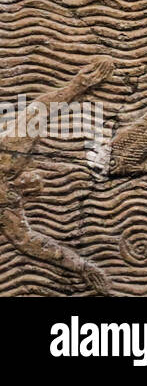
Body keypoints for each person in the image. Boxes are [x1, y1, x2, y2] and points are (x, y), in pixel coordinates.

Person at [1, 58, 114, 294]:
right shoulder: (8, 159)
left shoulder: (7, 199)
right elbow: (36, 112)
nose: (33, 183)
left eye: (32, 187)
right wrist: (77, 86)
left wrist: (82, 267)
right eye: (35, 182)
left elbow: (31, 243)